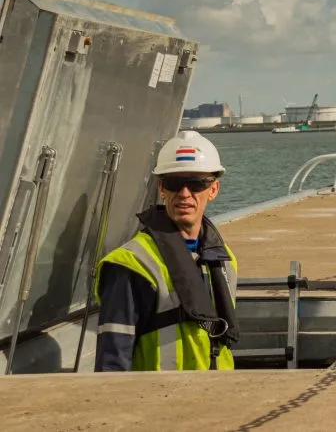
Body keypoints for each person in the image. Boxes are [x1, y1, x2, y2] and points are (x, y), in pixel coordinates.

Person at [93, 130, 239, 371]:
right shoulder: (129, 265)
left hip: (216, 396)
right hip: (156, 401)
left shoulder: (225, 260)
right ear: (162, 189)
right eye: (174, 183)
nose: (184, 194)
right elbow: (112, 360)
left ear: (213, 190)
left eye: (196, 183)